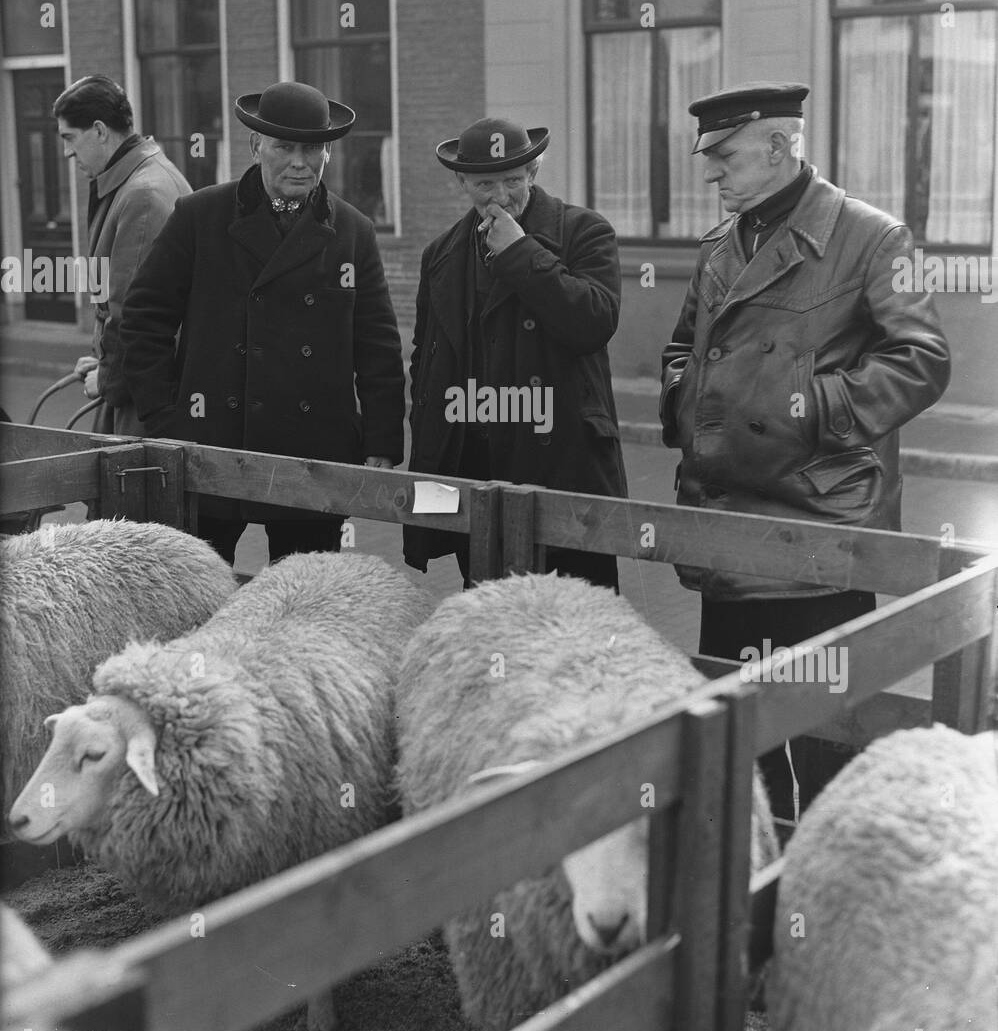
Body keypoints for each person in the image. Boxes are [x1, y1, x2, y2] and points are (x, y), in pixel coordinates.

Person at [659, 82, 951, 815]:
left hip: (821, 536)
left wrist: (810, 408)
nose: (711, 173)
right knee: (739, 751)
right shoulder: (721, 246)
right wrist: (687, 404)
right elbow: (678, 348)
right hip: (728, 525)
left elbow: (922, 358)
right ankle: (746, 903)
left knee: (828, 746)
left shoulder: (872, 237)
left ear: (780, 148)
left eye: (725, 156)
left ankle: (820, 902)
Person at [120, 80, 404, 565]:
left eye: (312, 148)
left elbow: (376, 341)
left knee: (305, 601)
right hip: (212, 438)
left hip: (314, 449)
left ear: (328, 153)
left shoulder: (353, 231)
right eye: (284, 147)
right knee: (198, 589)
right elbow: (145, 317)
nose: (300, 161)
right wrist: (166, 416)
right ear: (256, 146)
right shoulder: (200, 216)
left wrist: (381, 437)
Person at [403, 117, 627, 589]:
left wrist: (521, 253)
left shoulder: (585, 231)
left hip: (557, 463)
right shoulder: (441, 253)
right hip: (473, 468)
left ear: (534, 173)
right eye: (485, 183)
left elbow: (593, 323)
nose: (500, 197)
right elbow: (425, 356)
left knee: (571, 622)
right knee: (487, 614)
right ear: (462, 182)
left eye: (512, 180)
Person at [53, 75, 191, 435]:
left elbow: (132, 310)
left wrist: (110, 377)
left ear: (99, 130)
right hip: (137, 380)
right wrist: (103, 362)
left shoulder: (142, 195)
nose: (67, 152)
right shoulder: (137, 180)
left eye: (70, 138)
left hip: (142, 397)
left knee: (125, 487)